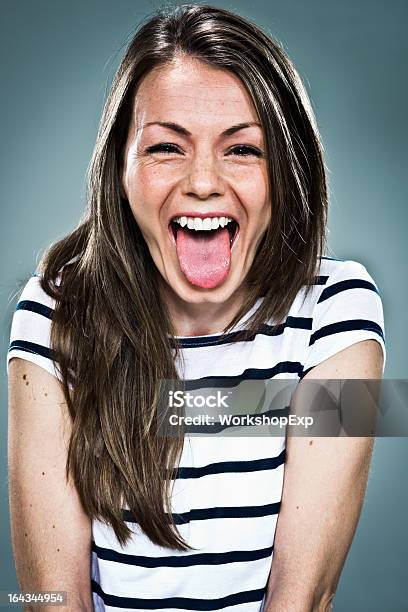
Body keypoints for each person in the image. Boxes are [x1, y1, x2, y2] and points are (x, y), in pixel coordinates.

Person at [7, 4, 386, 612]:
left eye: (242, 150)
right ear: (119, 170)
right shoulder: (54, 313)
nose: (203, 182)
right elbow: (47, 597)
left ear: (286, 173)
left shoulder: (337, 314)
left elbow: (305, 598)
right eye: (166, 148)